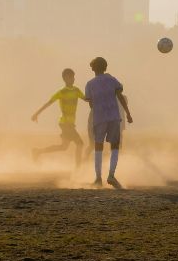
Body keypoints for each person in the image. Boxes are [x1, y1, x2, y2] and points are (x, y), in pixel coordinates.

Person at [83, 57, 134, 188]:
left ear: (93, 68)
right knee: (115, 146)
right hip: (113, 117)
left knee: (98, 147)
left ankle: (98, 178)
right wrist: (128, 113)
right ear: (105, 68)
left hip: (99, 118)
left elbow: (91, 103)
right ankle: (111, 175)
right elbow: (120, 96)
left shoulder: (90, 84)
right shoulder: (112, 80)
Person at [30, 68, 87, 170]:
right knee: (80, 144)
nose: (73, 79)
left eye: (74, 77)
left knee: (63, 147)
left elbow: (87, 99)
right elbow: (48, 103)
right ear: (65, 78)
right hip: (65, 123)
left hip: (69, 124)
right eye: (71, 77)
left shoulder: (76, 90)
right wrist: (36, 114)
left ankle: (38, 151)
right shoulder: (61, 92)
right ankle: (78, 169)